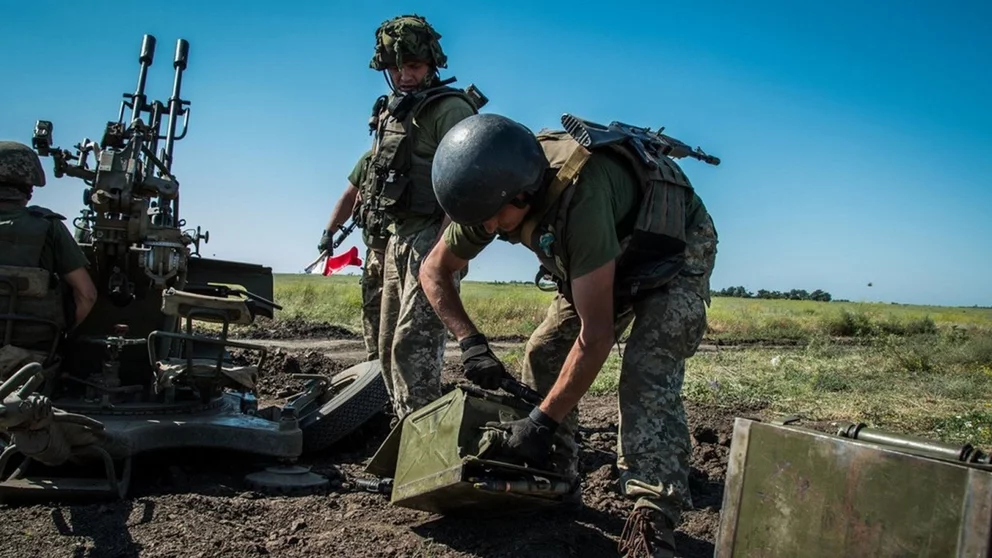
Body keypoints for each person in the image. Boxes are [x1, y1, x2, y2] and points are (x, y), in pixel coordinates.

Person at [420, 113, 718, 558]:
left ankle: (653, 516)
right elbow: (434, 270)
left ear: (521, 194)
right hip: (602, 252)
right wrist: (470, 342)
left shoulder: (580, 196)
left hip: (674, 247)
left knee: (646, 370)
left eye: (491, 221)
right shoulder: (488, 190)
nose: (486, 231)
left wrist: (540, 421)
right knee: (545, 352)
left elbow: (596, 338)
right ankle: (554, 478)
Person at [360, 14, 481, 421]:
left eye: (412, 66)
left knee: (414, 348)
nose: (403, 76)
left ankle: (423, 452)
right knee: (387, 346)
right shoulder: (394, 112)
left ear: (431, 64)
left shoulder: (450, 110)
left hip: (434, 237)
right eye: (395, 68)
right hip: (399, 237)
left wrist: (444, 252)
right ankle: (402, 436)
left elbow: (467, 184)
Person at [0, 141, 97, 360]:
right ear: (28, 188)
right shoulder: (48, 226)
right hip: (31, 353)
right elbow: (87, 295)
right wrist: (61, 337)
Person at [318, 150, 388, 362]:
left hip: (404, 251)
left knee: (401, 316)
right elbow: (349, 196)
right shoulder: (370, 160)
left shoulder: (419, 153)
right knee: (372, 310)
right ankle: (375, 367)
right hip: (374, 251)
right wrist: (329, 232)